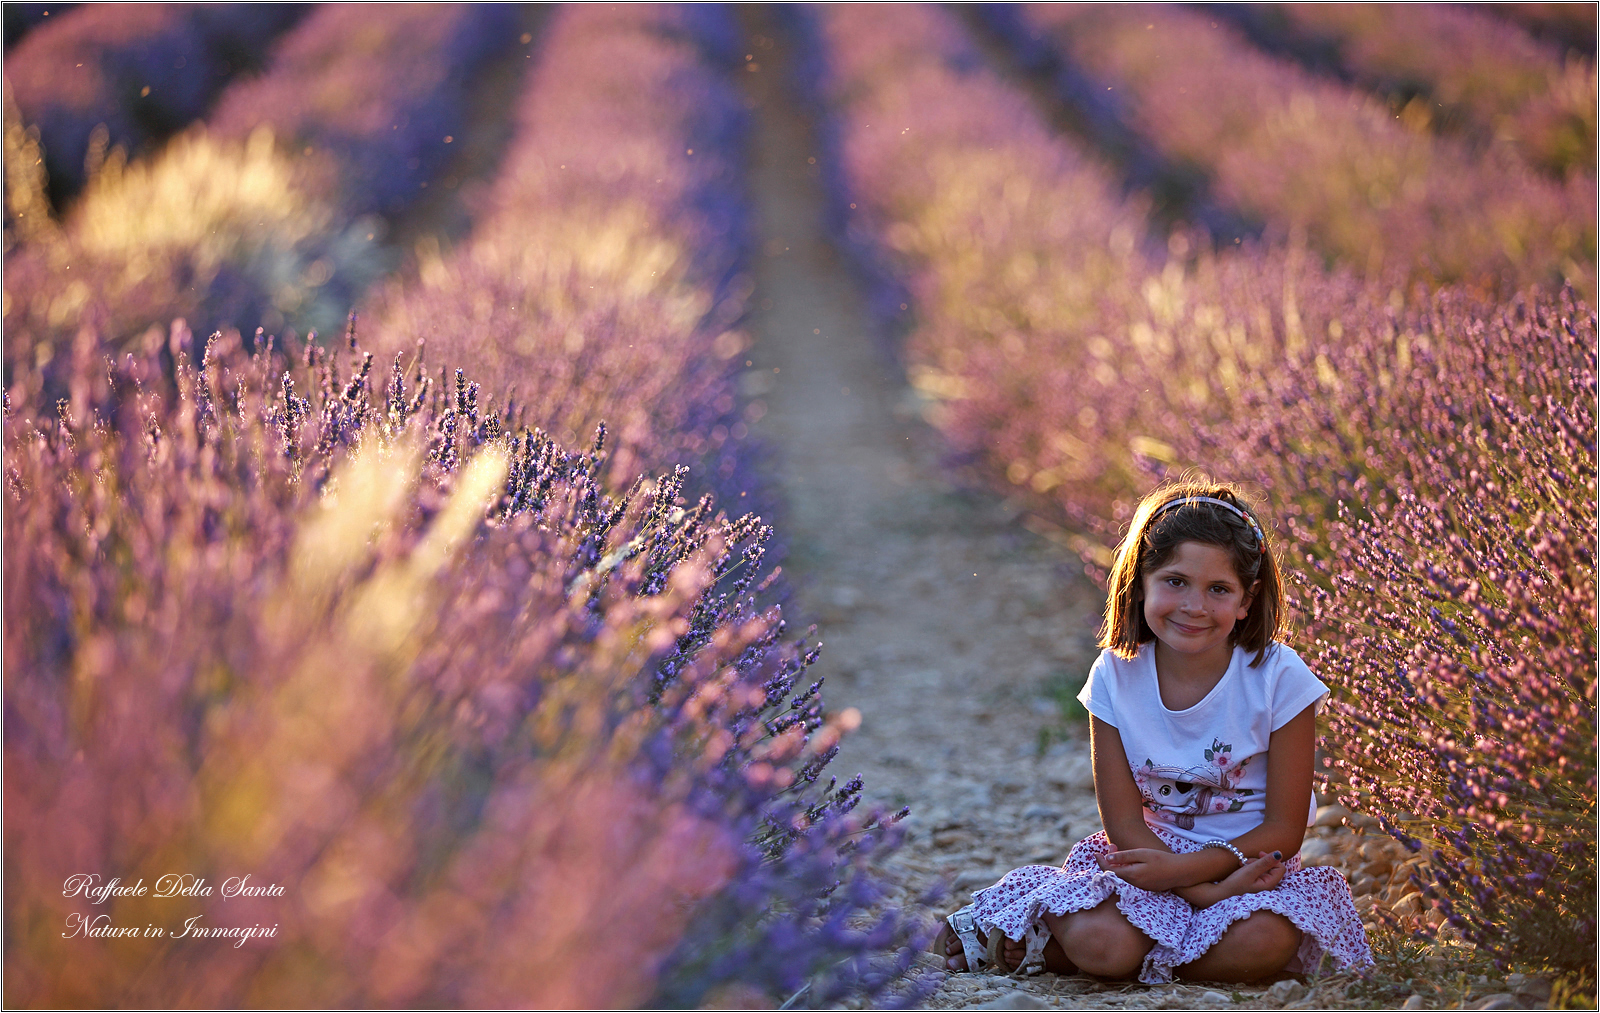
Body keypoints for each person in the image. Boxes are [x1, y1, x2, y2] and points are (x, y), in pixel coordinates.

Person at [934, 480, 1373, 984]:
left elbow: (1284, 830)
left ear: (1247, 600)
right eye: (1175, 581)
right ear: (1141, 581)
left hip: (1249, 869)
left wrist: (1212, 879)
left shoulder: (1279, 676)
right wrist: (1198, 890)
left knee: (1263, 944)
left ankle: (1058, 952)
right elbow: (1123, 823)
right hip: (1145, 861)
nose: (1194, 606)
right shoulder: (1115, 675)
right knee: (1103, 942)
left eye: (1219, 590)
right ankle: (1070, 937)